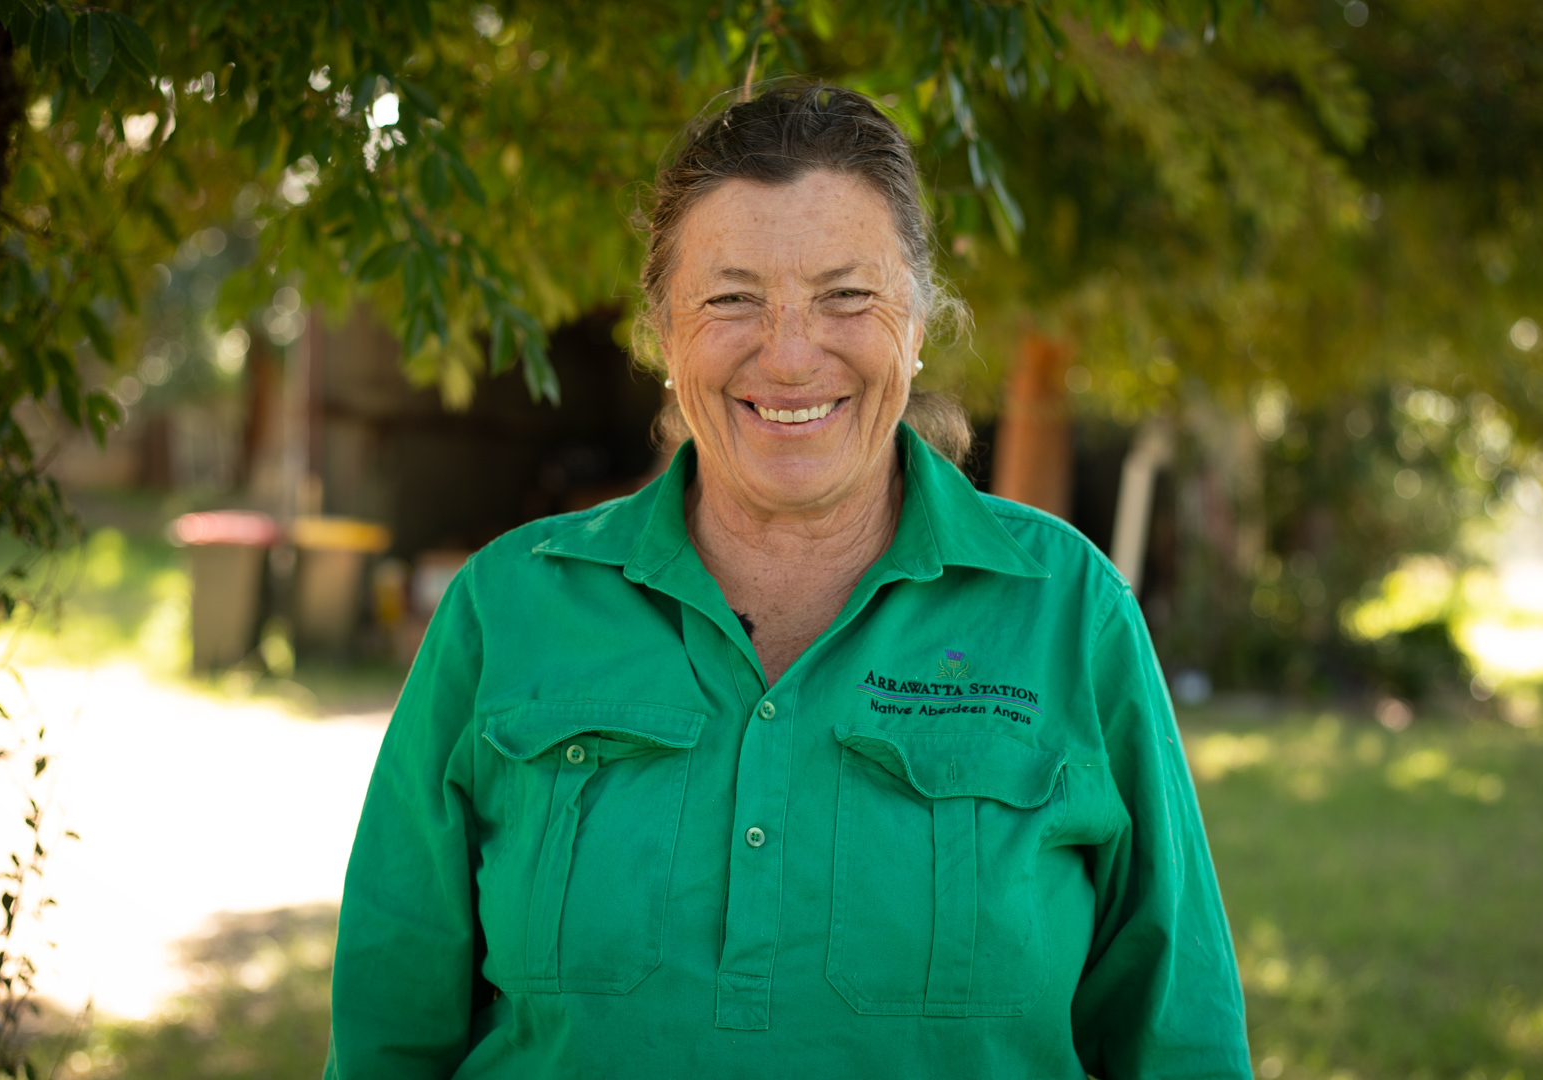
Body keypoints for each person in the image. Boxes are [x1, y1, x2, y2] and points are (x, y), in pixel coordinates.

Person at [324, 84, 1248, 1079]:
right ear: (663, 336)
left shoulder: (1072, 614)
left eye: (848, 296)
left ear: (918, 321)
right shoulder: (504, 611)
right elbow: (388, 1038)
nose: (793, 354)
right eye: (732, 299)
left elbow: (1179, 1040)